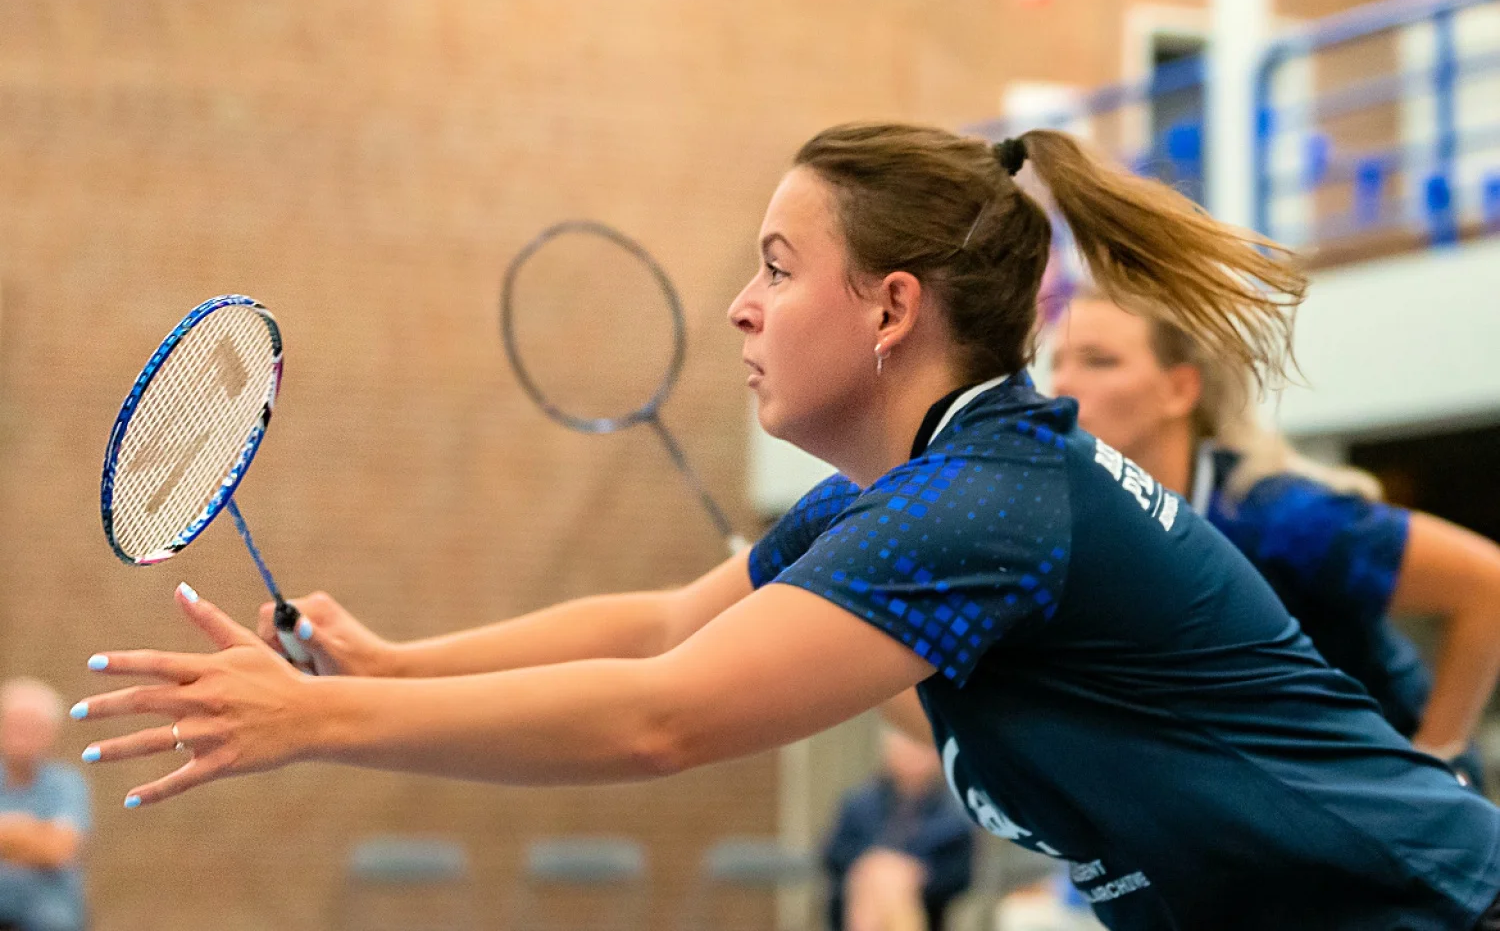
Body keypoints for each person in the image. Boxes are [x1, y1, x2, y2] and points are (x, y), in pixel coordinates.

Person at [75, 123, 1500, 930]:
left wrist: (318, 727)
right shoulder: (930, 488)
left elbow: (663, 720)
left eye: (775, 267)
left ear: (891, 310)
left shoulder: (988, 505)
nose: (744, 308)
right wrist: (388, 668)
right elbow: (659, 627)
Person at [1049, 292, 1500, 789]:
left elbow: (1489, 584)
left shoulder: (1281, 517)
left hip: (1381, 808)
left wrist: (1438, 761)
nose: (1062, 385)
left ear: (1179, 389)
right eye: (1056, 362)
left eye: (1098, 361)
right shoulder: (1092, 532)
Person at [822, 727, 973, 931]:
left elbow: (958, 873)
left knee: (892, 880)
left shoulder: (953, 815)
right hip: (860, 894)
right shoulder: (859, 805)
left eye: (917, 748)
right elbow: (833, 855)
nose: (911, 757)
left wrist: (913, 873)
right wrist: (873, 866)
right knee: (880, 875)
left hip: (922, 906)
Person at [0, 679, 89, 931]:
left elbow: (59, 849)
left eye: (32, 728)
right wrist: (33, 834)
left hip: (49, 916)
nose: (22, 737)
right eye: (15, 726)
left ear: (50, 733)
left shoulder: (67, 783)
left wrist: (7, 837)